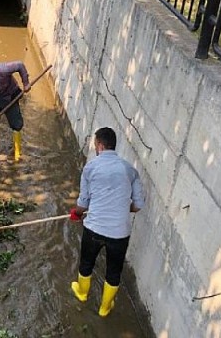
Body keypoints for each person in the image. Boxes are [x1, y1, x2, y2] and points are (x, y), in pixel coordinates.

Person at [69, 127, 144, 317]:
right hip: (120, 234)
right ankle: (104, 308)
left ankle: (83, 293)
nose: (95, 148)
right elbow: (137, 206)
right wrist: (118, 207)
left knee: (86, 263)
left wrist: (76, 214)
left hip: (94, 229)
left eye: (95, 145)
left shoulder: (90, 167)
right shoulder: (130, 170)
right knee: (114, 271)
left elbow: (83, 204)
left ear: (100, 145)